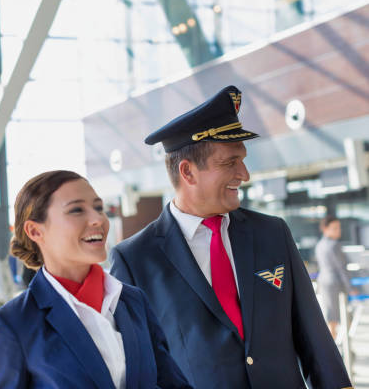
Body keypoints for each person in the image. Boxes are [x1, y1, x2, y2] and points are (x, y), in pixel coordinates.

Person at [110, 86, 353, 388]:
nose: (244, 174)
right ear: (188, 173)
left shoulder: (272, 233)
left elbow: (314, 337)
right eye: (229, 163)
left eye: (243, 159)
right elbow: (138, 367)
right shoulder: (135, 259)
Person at [0, 170, 191, 389]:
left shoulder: (132, 302)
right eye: (76, 210)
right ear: (35, 231)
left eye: (98, 208)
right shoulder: (13, 323)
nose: (98, 219)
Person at [316, 215, 355, 339]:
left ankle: (334, 347)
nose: (339, 231)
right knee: (337, 317)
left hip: (324, 281)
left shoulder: (320, 244)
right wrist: (350, 288)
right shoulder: (334, 245)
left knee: (330, 315)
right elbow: (341, 268)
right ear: (325, 229)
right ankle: (336, 348)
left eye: (339, 228)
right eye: (335, 228)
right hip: (335, 283)